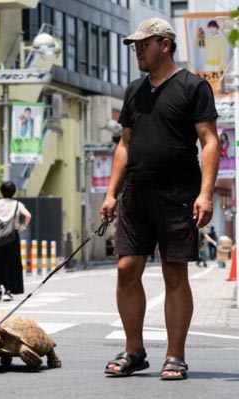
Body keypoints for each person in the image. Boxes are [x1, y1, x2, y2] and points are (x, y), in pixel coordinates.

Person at [100, 18, 219, 380]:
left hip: (178, 193)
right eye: (135, 44)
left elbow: (209, 141)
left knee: (174, 272)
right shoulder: (134, 90)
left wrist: (205, 194)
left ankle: (175, 356)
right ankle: (134, 351)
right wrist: (111, 193)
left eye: (143, 43)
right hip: (136, 194)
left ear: (164, 45)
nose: (137, 49)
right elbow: (124, 144)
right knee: (125, 270)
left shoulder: (193, 87)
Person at [0, 181, 31, 301]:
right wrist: (22, 227)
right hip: (11, 238)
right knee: (11, 264)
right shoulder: (18, 204)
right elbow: (28, 215)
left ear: (1, 191)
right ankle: (8, 291)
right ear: (14, 192)